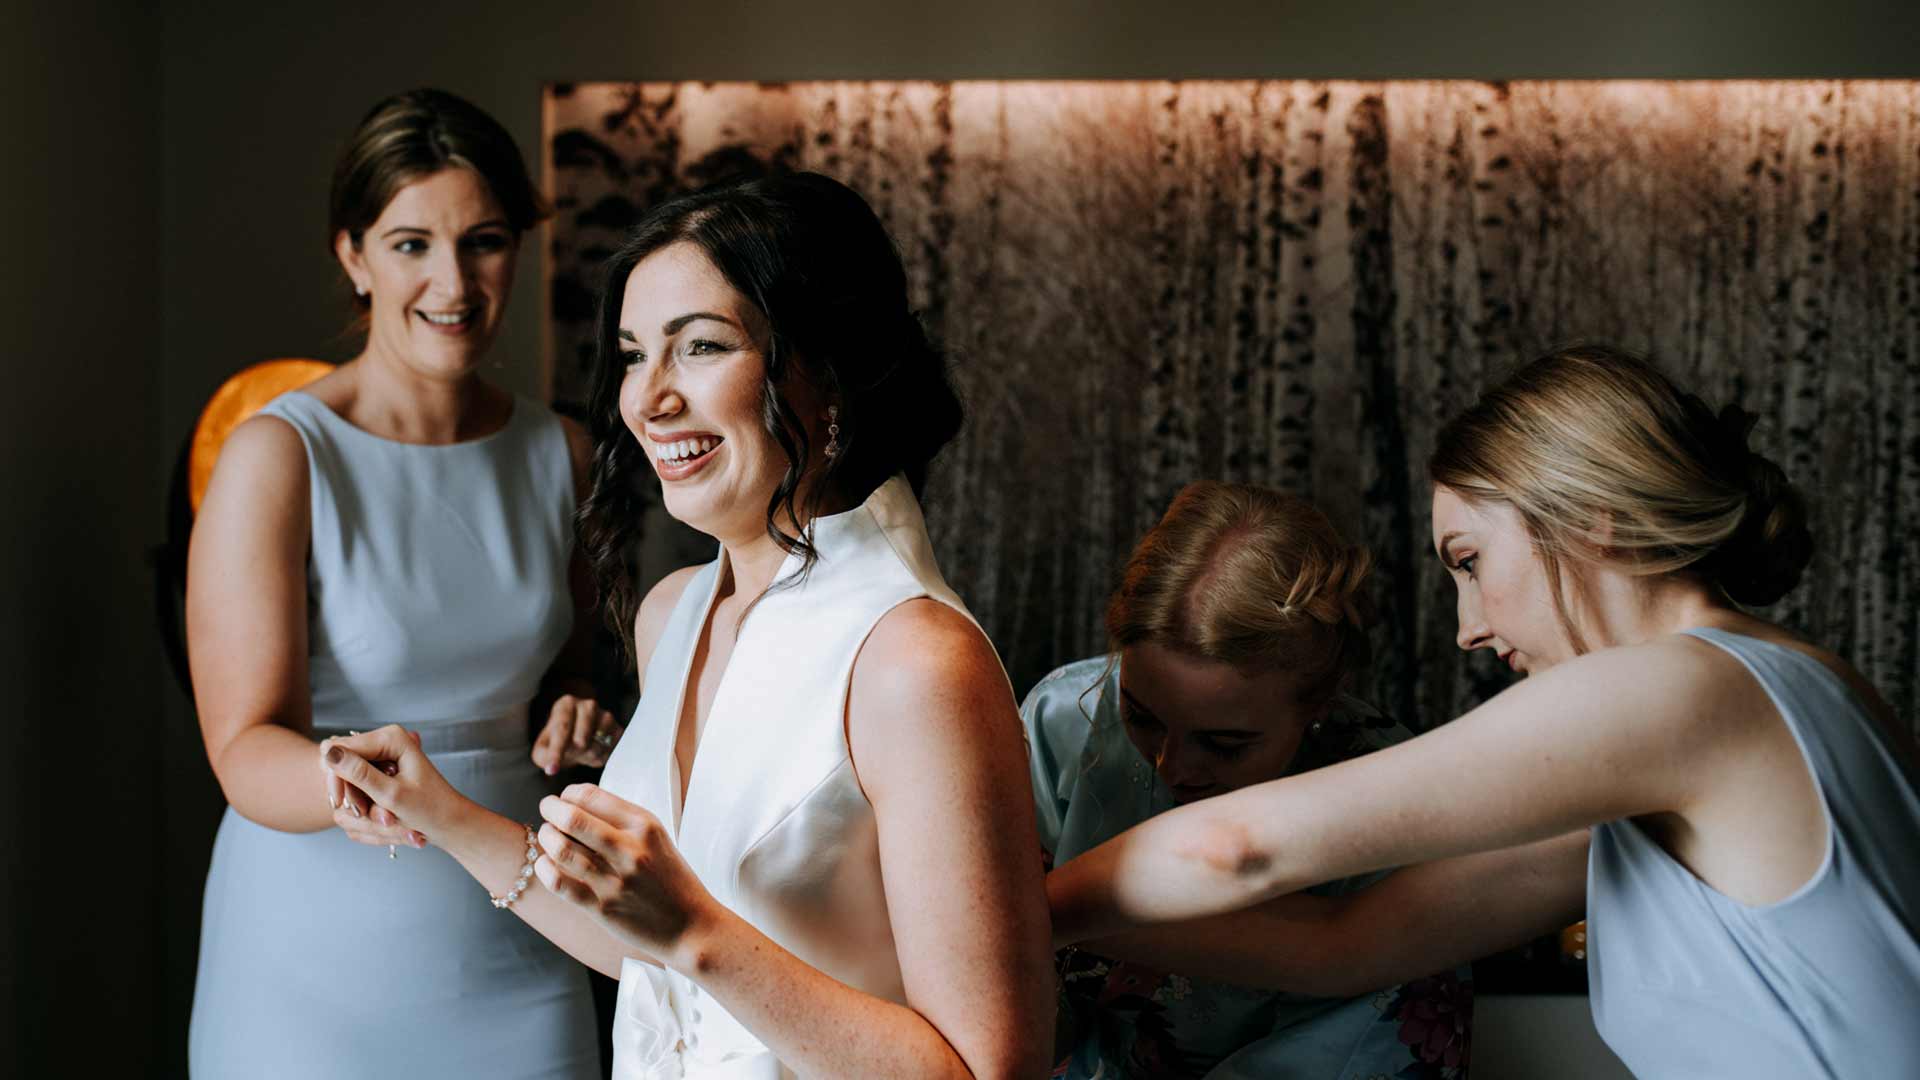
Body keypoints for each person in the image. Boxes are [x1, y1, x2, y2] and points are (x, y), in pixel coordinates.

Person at [322, 171, 1055, 1079]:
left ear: (825, 371)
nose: (648, 400)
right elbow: (651, 962)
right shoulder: (674, 613)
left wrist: (697, 930)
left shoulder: (913, 661)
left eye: (700, 347)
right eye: (633, 355)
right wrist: (437, 810)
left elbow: (990, 1071)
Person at [1047, 346, 1920, 1078]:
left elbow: (1237, 848)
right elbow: (1345, 944)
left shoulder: (1685, 691)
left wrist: (1004, 908)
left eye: (1468, 560)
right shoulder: (1775, 698)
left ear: (1591, 519)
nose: (1467, 628)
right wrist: (1064, 932)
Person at [186, 88, 608, 1078]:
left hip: (522, 932)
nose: (453, 281)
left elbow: (571, 683)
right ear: (354, 256)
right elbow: (243, 747)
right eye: (411, 243)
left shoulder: (567, 456)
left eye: (485, 241)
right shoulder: (280, 455)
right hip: (311, 957)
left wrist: (581, 718)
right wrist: (349, 785)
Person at [1028, 481, 1588, 1079]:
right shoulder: (1063, 720)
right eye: (1139, 715)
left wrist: (1031, 911)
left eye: (1225, 743)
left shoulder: (1394, 797)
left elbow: (1361, 1014)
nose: (1173, 767)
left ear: (1319, 703)